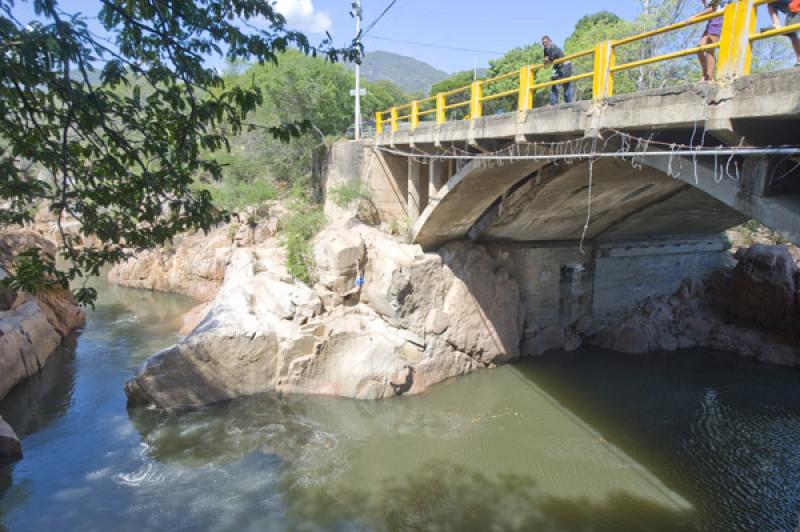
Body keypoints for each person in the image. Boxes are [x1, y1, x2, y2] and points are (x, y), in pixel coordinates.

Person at [691, 0, 731, 82]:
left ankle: (709, 77)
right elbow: (710, 8)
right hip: (712, 19)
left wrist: (695, 17)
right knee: (699, 48)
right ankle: (705, 74)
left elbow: (713, 9)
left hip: (719, 17)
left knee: (710, 48)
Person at [762, 0, 800, 67]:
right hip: (793, 9)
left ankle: (776, 24)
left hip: (796, 7)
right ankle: (776, 24)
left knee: (792, 33)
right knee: (791, 34)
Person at [541, 36, 575, 105]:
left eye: (546, 42)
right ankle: (553, 103)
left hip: (565, 65)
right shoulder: (545, 50)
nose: (544, 44)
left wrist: (547, 60)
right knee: (554, 85)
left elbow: (549, 59)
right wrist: (547, 60)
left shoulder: (553, 47)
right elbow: (546, 63)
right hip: (556, 66)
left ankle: (569, 104)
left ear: (550, 41)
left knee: (566, 85)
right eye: (543, 43)